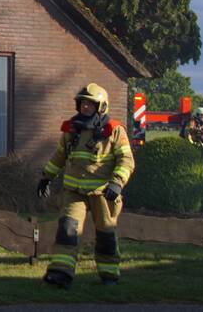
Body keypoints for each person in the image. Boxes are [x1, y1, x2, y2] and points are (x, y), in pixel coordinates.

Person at [37, 83, 134, 287]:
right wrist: (46, 176)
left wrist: (117, 183)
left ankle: (109, 274)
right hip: (74, 192)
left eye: (90, 104)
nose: (85, 107)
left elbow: (126, 160)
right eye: (82, 103)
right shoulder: (71, 130)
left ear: (102, 107)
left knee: (106, 234)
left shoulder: (114, 131)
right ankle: (60, 273)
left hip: (103, 193)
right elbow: (60, 157)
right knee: (67, 229)